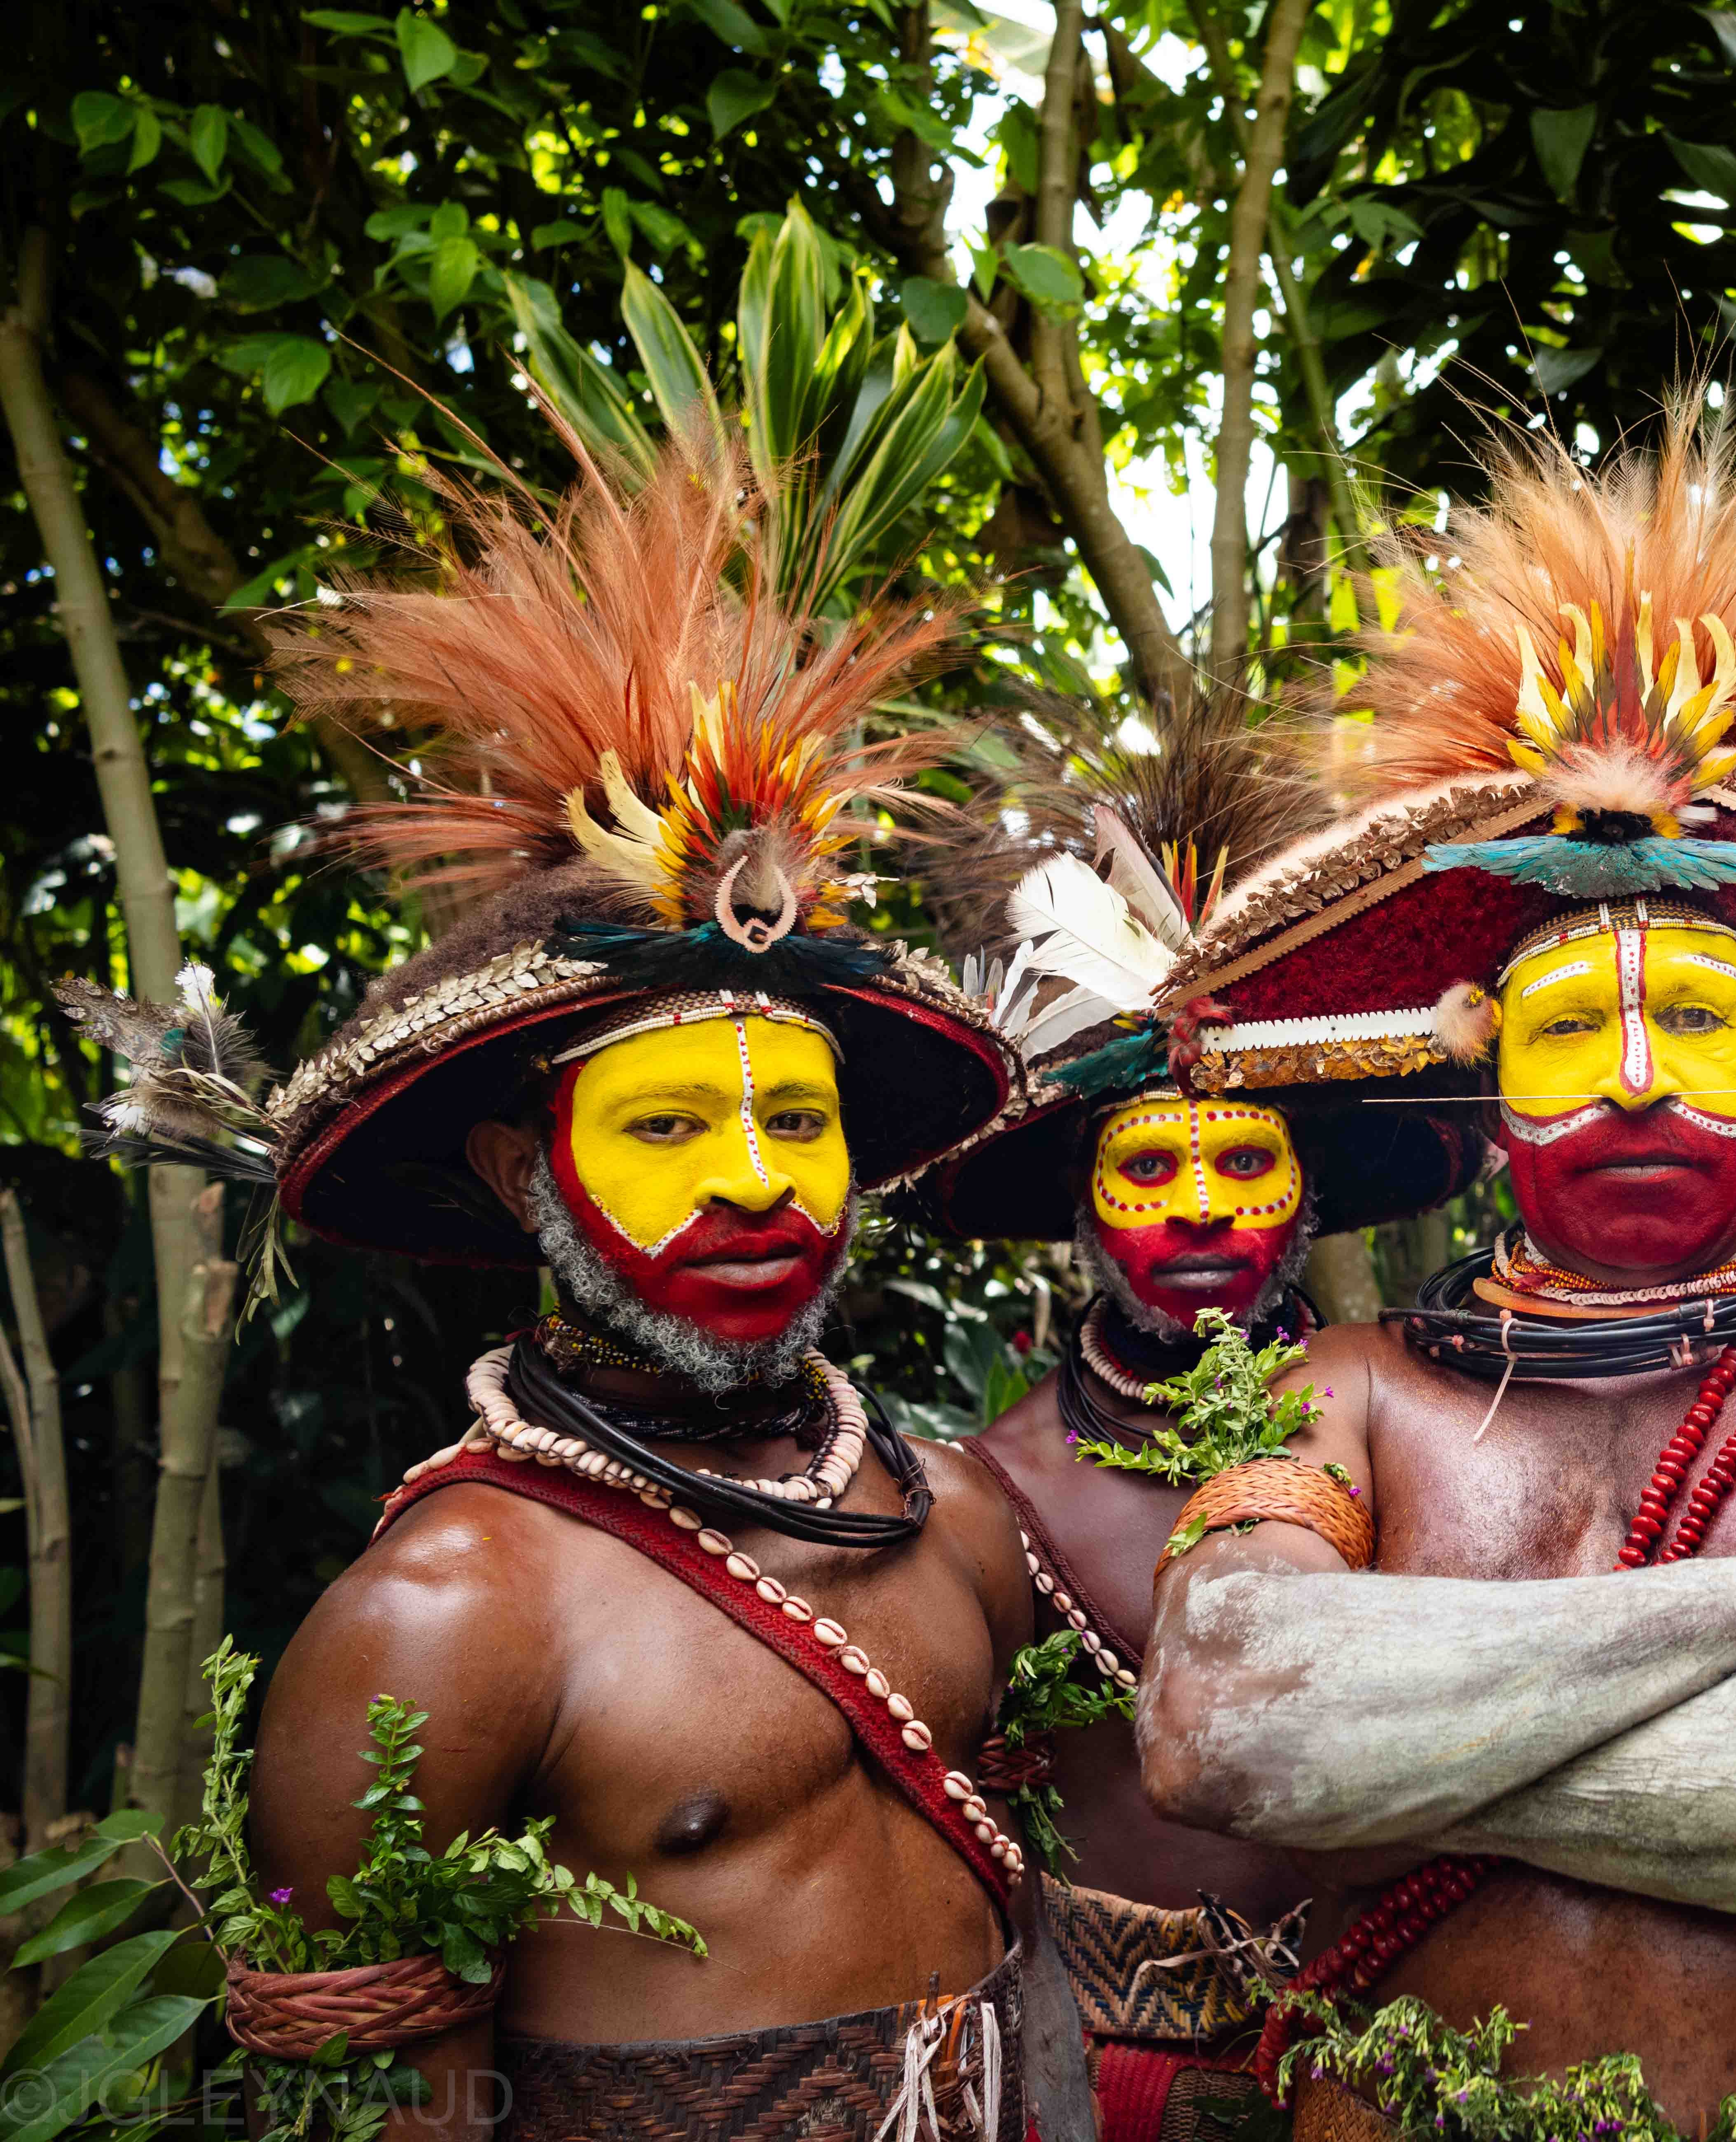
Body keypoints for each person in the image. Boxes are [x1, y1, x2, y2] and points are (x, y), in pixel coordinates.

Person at [77, 423, 1079, 2138]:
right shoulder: (449, 1617)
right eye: (671, 1123)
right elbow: (381, 2100)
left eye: (798, 1118)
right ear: (518, 1171)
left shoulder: (957, 1510)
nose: (757, 1175)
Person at [1127, 405, 1736, 2138]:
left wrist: (1418, 1766)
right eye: (1577, 1027)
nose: (1640, 1073)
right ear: (1489, 1075)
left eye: (1699, 1024)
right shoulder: (1346, 1384)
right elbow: (1219, 1728)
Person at [912, 699, 1484, 2140]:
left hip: (1402, 2050)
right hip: (1102, 2073)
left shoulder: (1431, 1422)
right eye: (1150, 1168)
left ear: (1309, 1188)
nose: (1205, 1210)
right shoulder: (994, 1490)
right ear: (1080, 1208)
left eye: (1245, 1159)